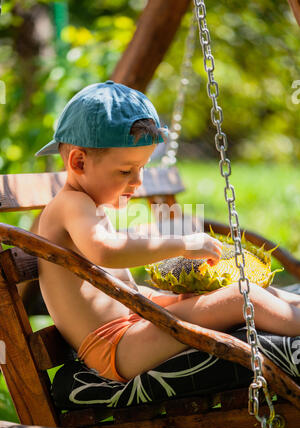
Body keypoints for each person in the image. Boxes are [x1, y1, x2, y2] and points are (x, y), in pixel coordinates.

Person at [36, 81, 300, 383]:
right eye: (126, 171)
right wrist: (183, 244)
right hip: (118, 347)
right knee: (244, 296)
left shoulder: (86, 205)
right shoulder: (70, 204)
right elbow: (106, 250)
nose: (137, 182)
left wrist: (169, 299)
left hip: (132, 329)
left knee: (243, 289)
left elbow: (123, 292)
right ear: (78, 162)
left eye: (142, 168)